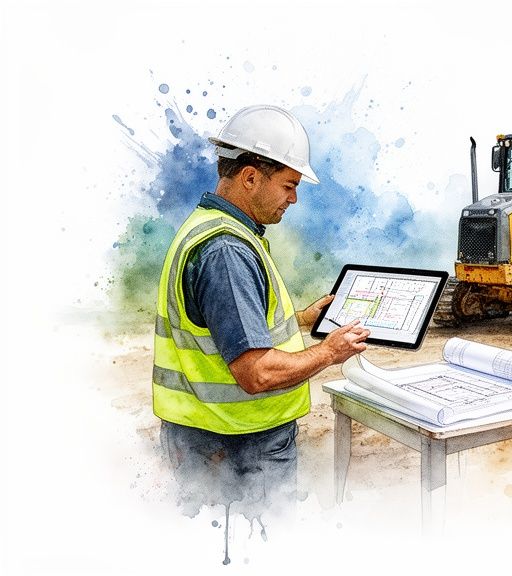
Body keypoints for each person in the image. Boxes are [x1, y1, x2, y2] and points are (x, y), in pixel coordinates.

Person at [152, 104, 370, 517]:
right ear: (251, 177)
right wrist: (330, 351)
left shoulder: (208, 227)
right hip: (238, 445)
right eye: (289, 185)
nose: (294, 198)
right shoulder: (227, 251)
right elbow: (256, 373)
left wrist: (303, 321)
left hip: (207, 437)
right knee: (261, 546)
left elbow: (221, 325)